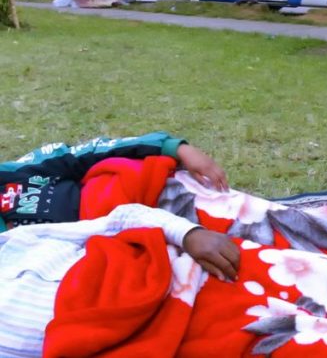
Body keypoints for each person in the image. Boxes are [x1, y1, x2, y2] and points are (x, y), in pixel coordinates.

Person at [0, 203, 239, 356]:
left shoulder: (16, 241)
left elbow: (122, 218)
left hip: (173, 269)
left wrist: (188, 234)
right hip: (151, 338)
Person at [0, 132, 228, 231]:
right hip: (115, 251)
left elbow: (87, 153)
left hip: (136, 192)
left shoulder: (14, 174)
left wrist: (175, 148)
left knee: (232, 212)